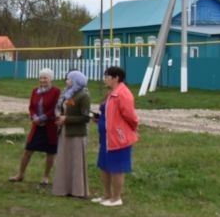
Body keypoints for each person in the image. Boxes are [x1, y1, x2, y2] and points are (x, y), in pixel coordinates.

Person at [93, 66, 139, 207]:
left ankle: (116, 197)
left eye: (107, 77)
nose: (105, 80)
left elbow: (130, 116)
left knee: (116, 167)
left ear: (116, 78)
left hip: (118, 137)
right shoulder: (110, 93)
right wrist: (100, 119)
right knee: (105, 166)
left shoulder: (123, 94)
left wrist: (130, 129)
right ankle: (107, 195)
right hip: (106, 136)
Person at [9, 68, 61, 185]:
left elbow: (55, 108)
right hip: (37, 125)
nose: (43, 80)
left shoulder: (56, 91)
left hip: (50, 126)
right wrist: (34, 117)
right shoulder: (35, 91)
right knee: (28, 149)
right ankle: (20, 174)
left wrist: (43, 118)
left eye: (45, 78)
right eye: (41, 78)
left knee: (50, 152)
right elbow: (31, 106)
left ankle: (45, 177)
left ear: (50, 79)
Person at [52, 71, 91, 199]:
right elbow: (63, 108)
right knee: (65, 160)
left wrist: (66, 119)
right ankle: (64, 188)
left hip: (76, 133)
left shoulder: (83, 96)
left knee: (76, 162)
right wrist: (60, 116)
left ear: (76, 81)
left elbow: (85, 117)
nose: (66, 81)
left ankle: (78, 190)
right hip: (65, 131)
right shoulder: (69, 94)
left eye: (69, 79)